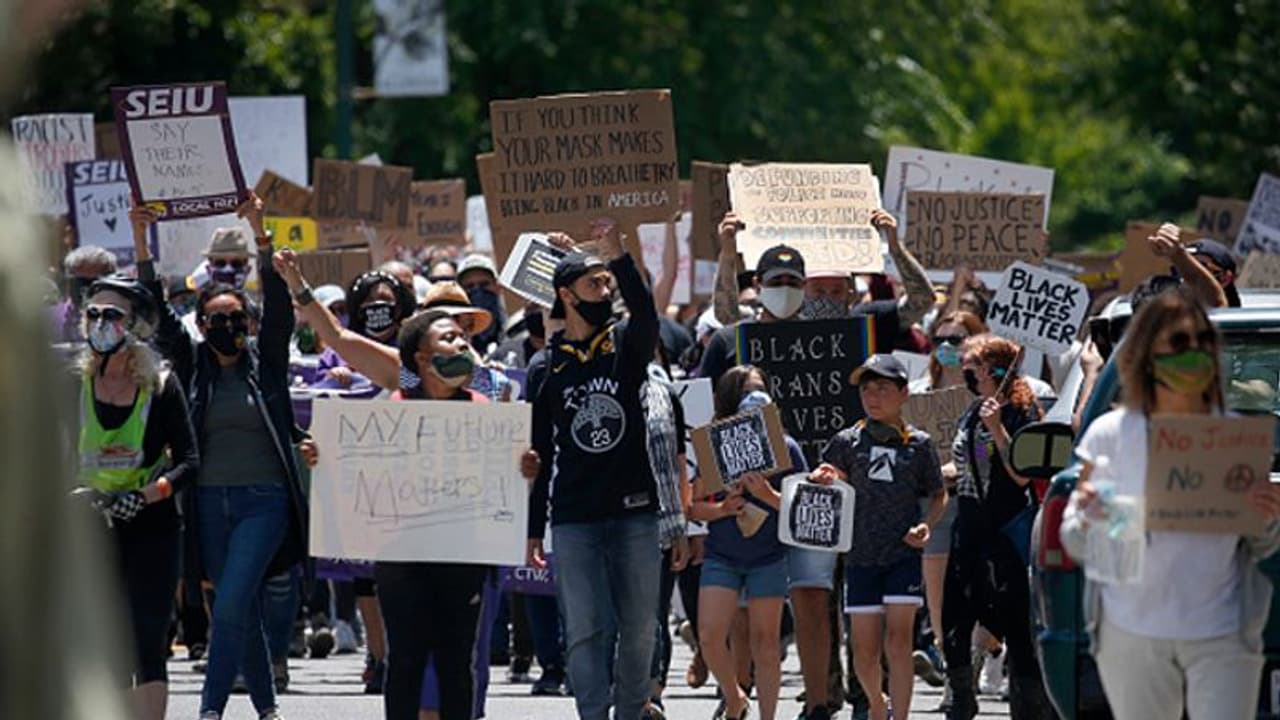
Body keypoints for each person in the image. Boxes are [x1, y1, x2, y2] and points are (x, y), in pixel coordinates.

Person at [295, 307, 539, 720]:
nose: (462, 343)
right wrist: (324, 456)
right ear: (423, 359)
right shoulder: (395, 409)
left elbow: (504, 483)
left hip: (463, 555)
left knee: (456, 661)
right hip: (401, 556)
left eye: (463, 338)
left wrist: (524, 470)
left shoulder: (484, 409)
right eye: (449, 338)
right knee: (405, 658)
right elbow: (360, 469)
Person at [1059, 288, 1280, 720]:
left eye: (1202, 341)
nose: (1193, 352)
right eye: (1179, 343)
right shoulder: (1109, 435)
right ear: (1148, 355)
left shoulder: (1234, 438)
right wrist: (1090, 517)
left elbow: (1262, 544)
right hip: (1131, 630)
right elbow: (1076, 541)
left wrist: (1267, 517)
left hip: (1224, 630)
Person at [130, 195, 308, 720]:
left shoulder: (267, 365)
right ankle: (267, 708)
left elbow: (280, 310)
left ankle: (210, 709)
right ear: (202, 325)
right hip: (207, 503)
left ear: (248, 324)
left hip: (265, 501)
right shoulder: (191, 368)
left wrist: (260, 230)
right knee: (238, 603)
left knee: (228, 601)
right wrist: (141, 240)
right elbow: (155, 310)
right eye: (215, 319)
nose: (226, 326)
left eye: (235, 318)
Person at [525, 218, 661, 720]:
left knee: (640, 627)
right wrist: (533, 528)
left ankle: (629, 712)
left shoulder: (625, 345)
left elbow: (645, 313)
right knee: (584, 629)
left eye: (607, 283)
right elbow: (538, 451)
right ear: (566, 295)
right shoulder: (545, 366)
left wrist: (617, 255)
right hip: (574, 518)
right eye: (594, 284)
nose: (604, 291)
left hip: (635, 513)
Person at [68, 275, 199, 720]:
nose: (100, 323)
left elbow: (189, 462)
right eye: (93, 315)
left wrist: (147, 495)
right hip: (90, 526)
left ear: (136, 325)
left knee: (146, 638)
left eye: (112, 315)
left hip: (151, 525)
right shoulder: (72, 383)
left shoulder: (161, 385)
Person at [811, 354, 946, 720]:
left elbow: (938, 494)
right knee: (864, 652)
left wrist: (926, 525)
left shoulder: (919, 444)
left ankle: (899, 716)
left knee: (899, 642)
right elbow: (829, 478)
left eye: (883, 388)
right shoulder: (846, 441)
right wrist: (825, 478)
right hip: (860, 558)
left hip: (903, 555)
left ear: (904, 393)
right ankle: (875, 702)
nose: (873, 397)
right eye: (866, 389)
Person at [941, 335, 1049, 720]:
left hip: (1006, 532)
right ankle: (960, 698)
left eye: (972, 366)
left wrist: (998, 427)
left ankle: (1029, 706)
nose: (966, 373)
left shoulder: (1022, 413)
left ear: (992, 371)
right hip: (969, 529)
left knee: (1017, 626)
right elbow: (969, 461)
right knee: (954, 618)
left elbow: (1021, 475)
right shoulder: (972, 411)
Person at [690, 367, 806, 720]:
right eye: (746, 392)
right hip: (722, 556)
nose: (755, 398)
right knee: (709, 636)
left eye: (760, 390)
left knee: (766, 643)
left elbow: (804, 507)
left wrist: (768, 495)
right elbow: (692, 506)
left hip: (768, 557)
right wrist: (723, 509)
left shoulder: (786, 448)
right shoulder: (715, 449)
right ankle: (735, 697)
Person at [52, 244, 117, 342]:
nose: (86, 289)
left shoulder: (123, 320)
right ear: (69, 283)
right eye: (80, 282)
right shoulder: (47, 320)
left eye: (94, 283)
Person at [457, 253, 506, 354]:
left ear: (497, 287)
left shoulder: (512, 331)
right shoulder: (456, 340)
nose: (477, 292)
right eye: (469, 286)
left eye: (484, 284)